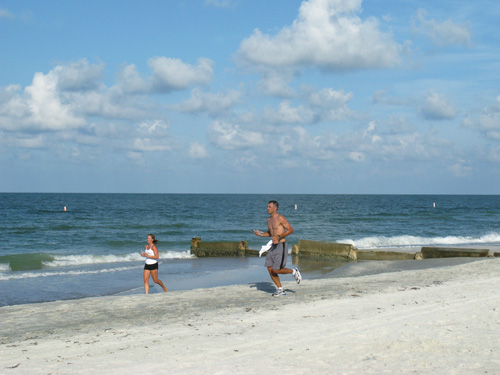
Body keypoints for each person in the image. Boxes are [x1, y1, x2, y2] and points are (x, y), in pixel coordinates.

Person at [253, 200, 302, 296]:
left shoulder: (280, 218)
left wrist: (279, 237)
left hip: (281, 245)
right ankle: (280, 289)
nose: (267, 208)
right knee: (269, 268)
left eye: (269, 207)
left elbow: (290, 230)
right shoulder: (269, 220)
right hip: (273, 246)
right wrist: (261, 234)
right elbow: (270, 233)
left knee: (276, 269)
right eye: (267, 207)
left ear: (275, 208)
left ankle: (294, 271)